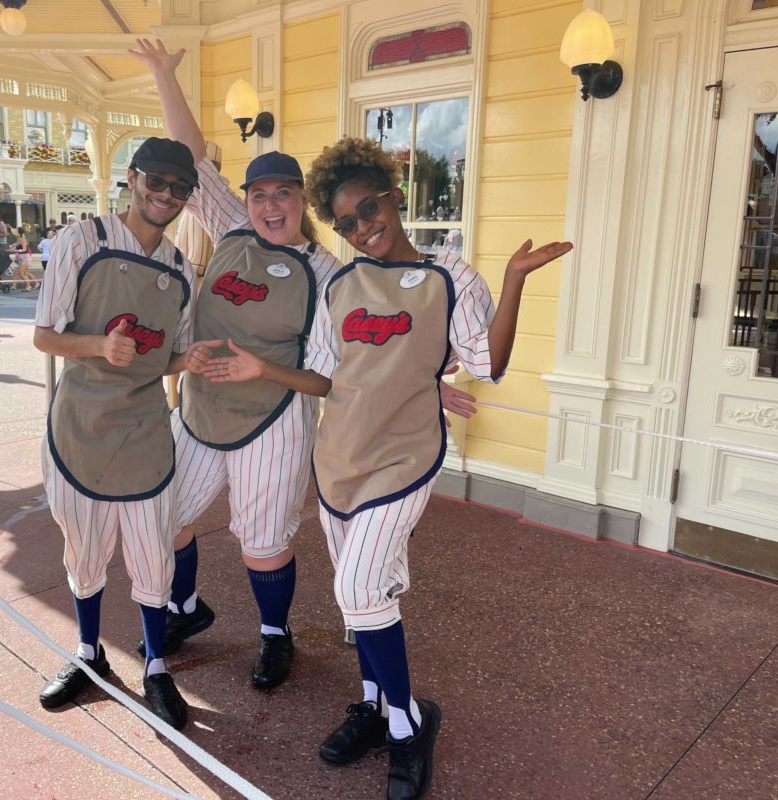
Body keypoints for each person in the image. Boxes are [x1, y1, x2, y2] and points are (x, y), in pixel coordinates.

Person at [203, 136, 572, 799]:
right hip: (338, 459)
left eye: (368, 208)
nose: (360, 227)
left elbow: (486, 364)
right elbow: (322, 378)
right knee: (370, 597)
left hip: (404, 458)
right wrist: (264, 369)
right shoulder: (339, 283)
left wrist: (513, 281)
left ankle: (406, 724)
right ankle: (373, 706)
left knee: (356, 591)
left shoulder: (449, 276)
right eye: (343, 221)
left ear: (394, 197)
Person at [129, 38, 344, 692]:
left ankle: (274, 636)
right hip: (196, 413)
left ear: (300, 199)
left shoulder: (324, 272)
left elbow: (327, 379)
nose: (268, 205)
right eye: (258, 194)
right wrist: (164, 75)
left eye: (282, 194)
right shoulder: (231, 230)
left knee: (262, 544)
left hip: (270, 422)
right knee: (161, 518)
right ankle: (186, 609)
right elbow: (194, 159)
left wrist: (262, 370)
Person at [32, 137, 207, 730]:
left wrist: (194, 361)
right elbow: (45, 336)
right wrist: (98, 346)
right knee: (83, 550)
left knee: (152, 555)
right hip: (79, 426)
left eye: (178, 188)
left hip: (145, 432)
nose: (165, 196)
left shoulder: (183, 270)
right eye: (155, 182)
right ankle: (88, 654)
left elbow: (169, 356)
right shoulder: (84, 240)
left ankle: (157, 665)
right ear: (131, 179)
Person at [10, 226, 35, 291]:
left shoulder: (23, 239)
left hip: (25, 258)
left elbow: (24, 249)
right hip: (19, 257)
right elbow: (15, 246)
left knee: (22, 273)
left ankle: (28, 286)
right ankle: (24, 286)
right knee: (16, 271)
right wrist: (12, 247)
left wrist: (16, 251)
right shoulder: (18, 239)